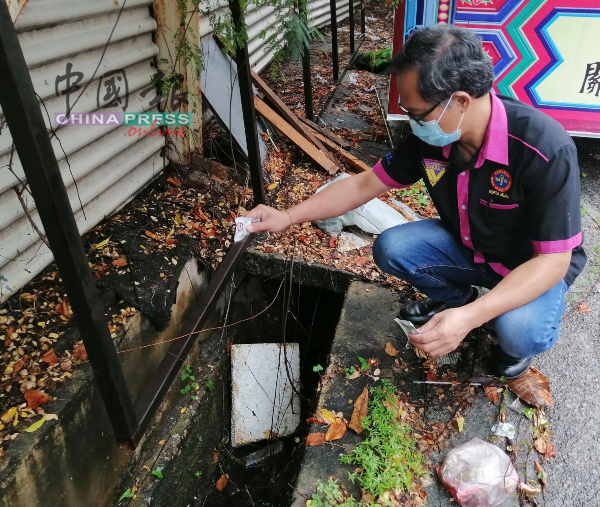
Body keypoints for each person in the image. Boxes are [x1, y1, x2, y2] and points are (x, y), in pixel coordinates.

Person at [245, 24, 586, 380]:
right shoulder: (431, 137)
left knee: (519, 330)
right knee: (394, 247)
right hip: (473, 248)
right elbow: (363, 185)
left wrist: (472, 320)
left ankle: (509, 343)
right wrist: (286, 215)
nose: (413, 122)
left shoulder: (543, 148)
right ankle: (461, 302)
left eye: (418, 113)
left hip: (530, 266)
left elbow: (552, 261)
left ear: (460, 101)